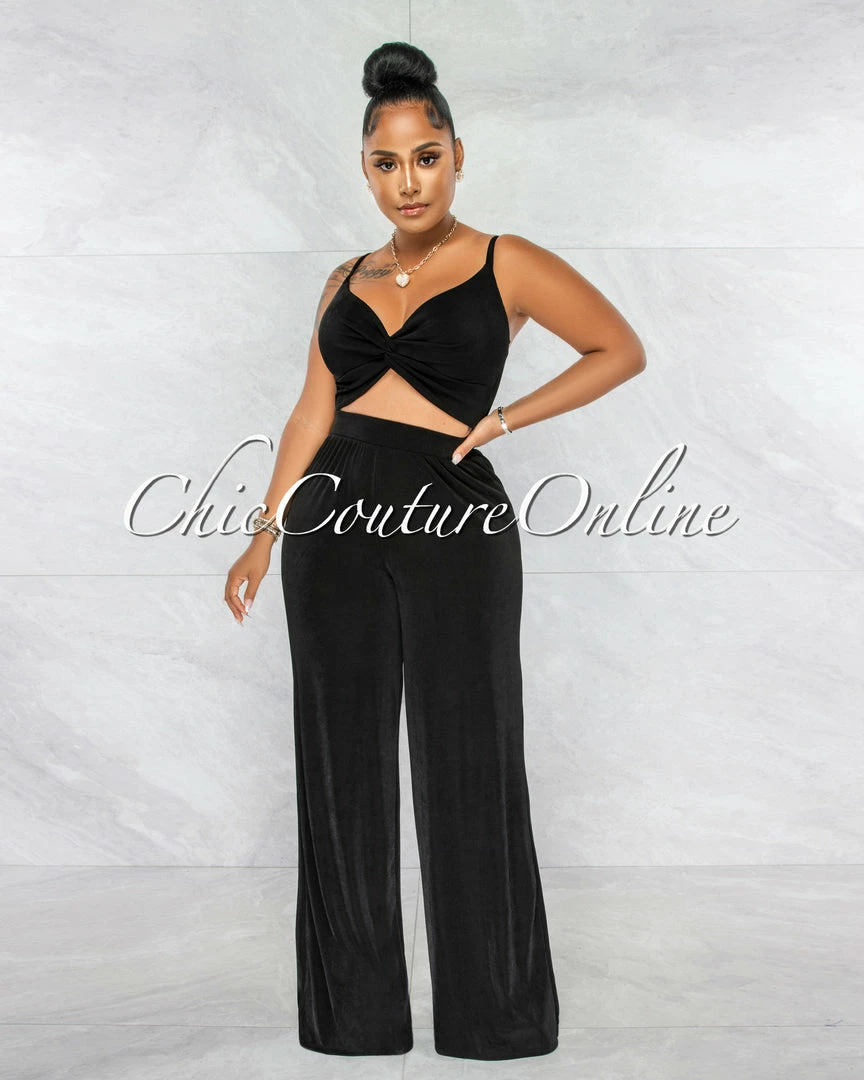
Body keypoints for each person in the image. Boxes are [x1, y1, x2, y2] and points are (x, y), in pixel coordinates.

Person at [224, 40, 646, 1061]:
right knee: (340, 765)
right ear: (365, 169)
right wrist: (263, 531)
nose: (407, 181)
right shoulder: (343, 279)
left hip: (454, 521)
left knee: (470, 757)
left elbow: (618, 350)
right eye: (386, 163)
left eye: (425, 158)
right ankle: (354, 1020)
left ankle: (494, 1017)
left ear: (457, 155)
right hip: (329, 526)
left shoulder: (508, 261)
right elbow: (311, 409)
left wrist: (501, 421)